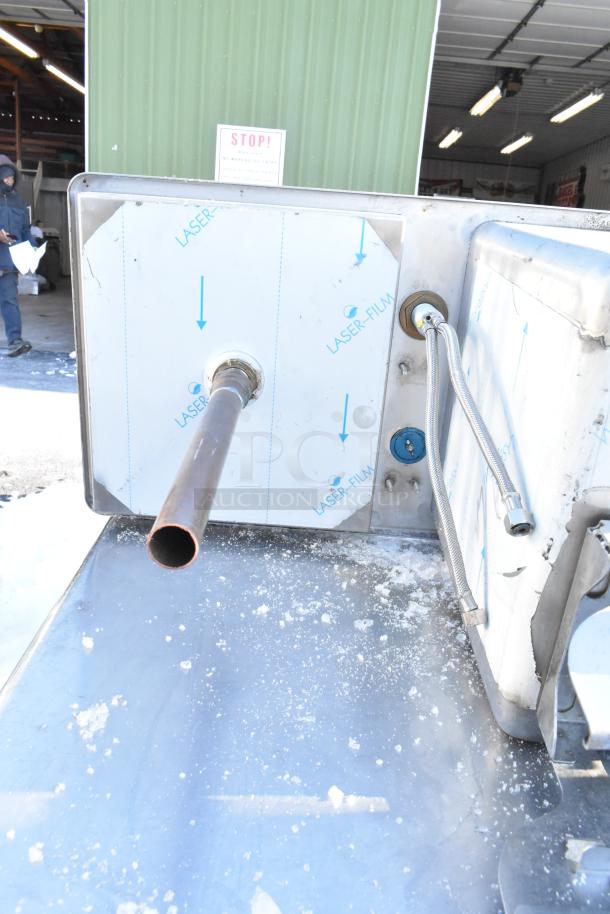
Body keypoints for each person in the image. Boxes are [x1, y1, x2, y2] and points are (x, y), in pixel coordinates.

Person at [0, 154, 32, 357]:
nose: (10, 181)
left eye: (12, 178)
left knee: (10, 302)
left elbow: (26, 230)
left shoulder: (19, 201)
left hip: (9, 263)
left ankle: (15, 342)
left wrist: (33, 248)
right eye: (5, 178)